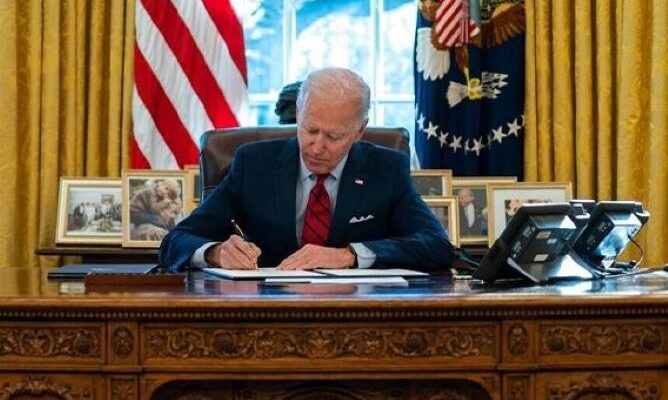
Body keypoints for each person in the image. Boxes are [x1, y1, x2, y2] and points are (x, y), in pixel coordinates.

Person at [159, 67, 454, 272]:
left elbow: (436, 245)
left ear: (359, 131)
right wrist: (216, 253)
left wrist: (350, 255)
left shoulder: (386, 169)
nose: (316, 146)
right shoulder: (253, 164)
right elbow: (177, 241)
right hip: (266, 310)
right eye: (310, 129)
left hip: (356, 312)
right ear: (299, 115)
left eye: (333, 137)